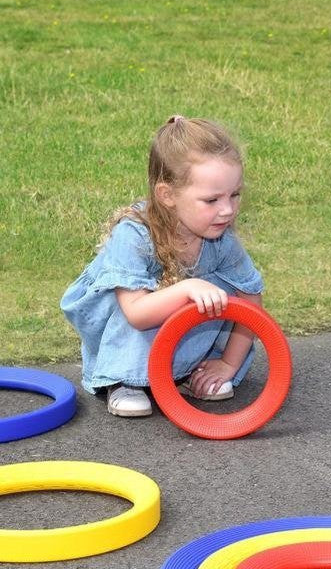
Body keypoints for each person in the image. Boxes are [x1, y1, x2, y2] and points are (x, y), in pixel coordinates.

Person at [61, 116, 264, 417]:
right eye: (211, 200)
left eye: (234, 195)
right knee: (162, 296)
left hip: (180, 341)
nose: (227, 210)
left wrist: (228, 364)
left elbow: (251, 300)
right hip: (131, 325)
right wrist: (187, 287)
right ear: (167, 195)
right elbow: (137, 314)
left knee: (220, 290)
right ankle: (124, 380)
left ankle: (187, 372)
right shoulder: (134, 235)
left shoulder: (221, 238)